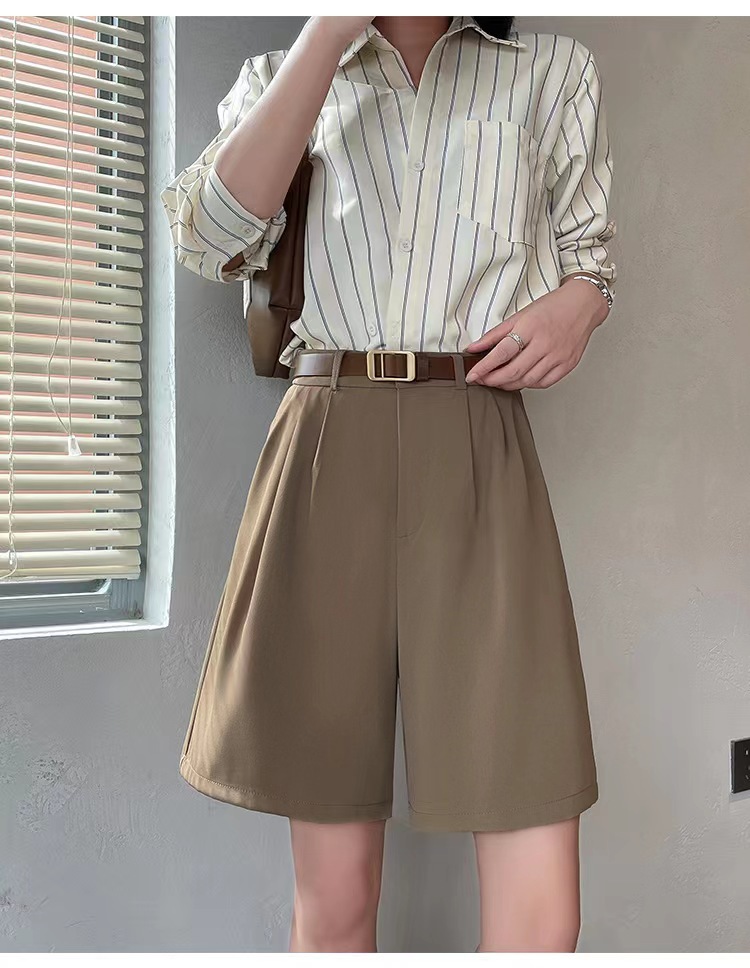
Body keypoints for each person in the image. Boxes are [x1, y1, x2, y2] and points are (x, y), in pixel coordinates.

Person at [160, 15, 617, 953]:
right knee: (335, 899)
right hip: (328, 442)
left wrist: (586, 301)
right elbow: (207, 238)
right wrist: (331, 26)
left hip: (480, 437)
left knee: (540, 898)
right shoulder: (280, 72)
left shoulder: (551, 70)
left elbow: (589, 253)